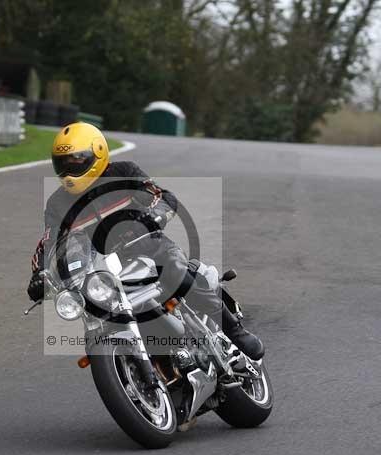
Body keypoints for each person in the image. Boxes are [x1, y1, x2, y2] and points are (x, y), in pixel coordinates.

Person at [26, 122, 264, 361]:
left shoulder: (124, 172)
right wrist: (40, 274)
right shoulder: (58, 203)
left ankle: (234, 331)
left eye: (76, 161)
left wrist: (155, 215)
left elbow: (161, 196)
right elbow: (49, 242)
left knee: (177, 274)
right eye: (63, 163)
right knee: (94, 313)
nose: (69, 170)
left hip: (150, 245)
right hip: (104, 268)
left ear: (97, 154)